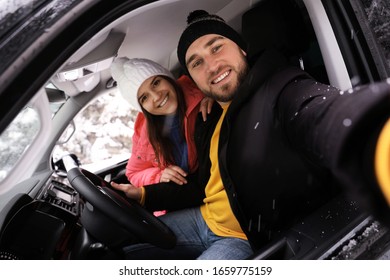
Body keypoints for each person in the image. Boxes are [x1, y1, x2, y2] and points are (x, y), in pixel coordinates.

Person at [112, 10, 390, 259]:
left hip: (242, 237)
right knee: (118, 246)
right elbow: (199, 187)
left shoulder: (282, 90)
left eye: (217, 47)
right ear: (192, 79)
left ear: (242, 49)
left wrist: (377, 137)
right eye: (197, 63)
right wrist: (142, 196)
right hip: (204, 219)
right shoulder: (208, 118)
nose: (212, 66)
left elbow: (326, 115)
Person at [110, 57, 211, 215]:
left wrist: (213, 97)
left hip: (206, 194)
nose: (156, 97)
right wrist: (159, 175)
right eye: (145, 98)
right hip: (174, 201)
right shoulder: (145, 132)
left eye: (156, 83)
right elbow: (133, 173)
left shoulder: (202, 93)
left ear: (167, 78)